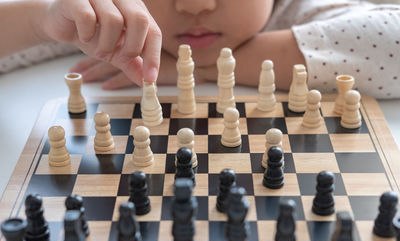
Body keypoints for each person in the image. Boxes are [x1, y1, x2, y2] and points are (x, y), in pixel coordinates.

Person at [0, 0, 399, 98]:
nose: (194, 5)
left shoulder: (303, 9)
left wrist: (200, 69)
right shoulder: (110, 21)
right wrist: (39, 20)